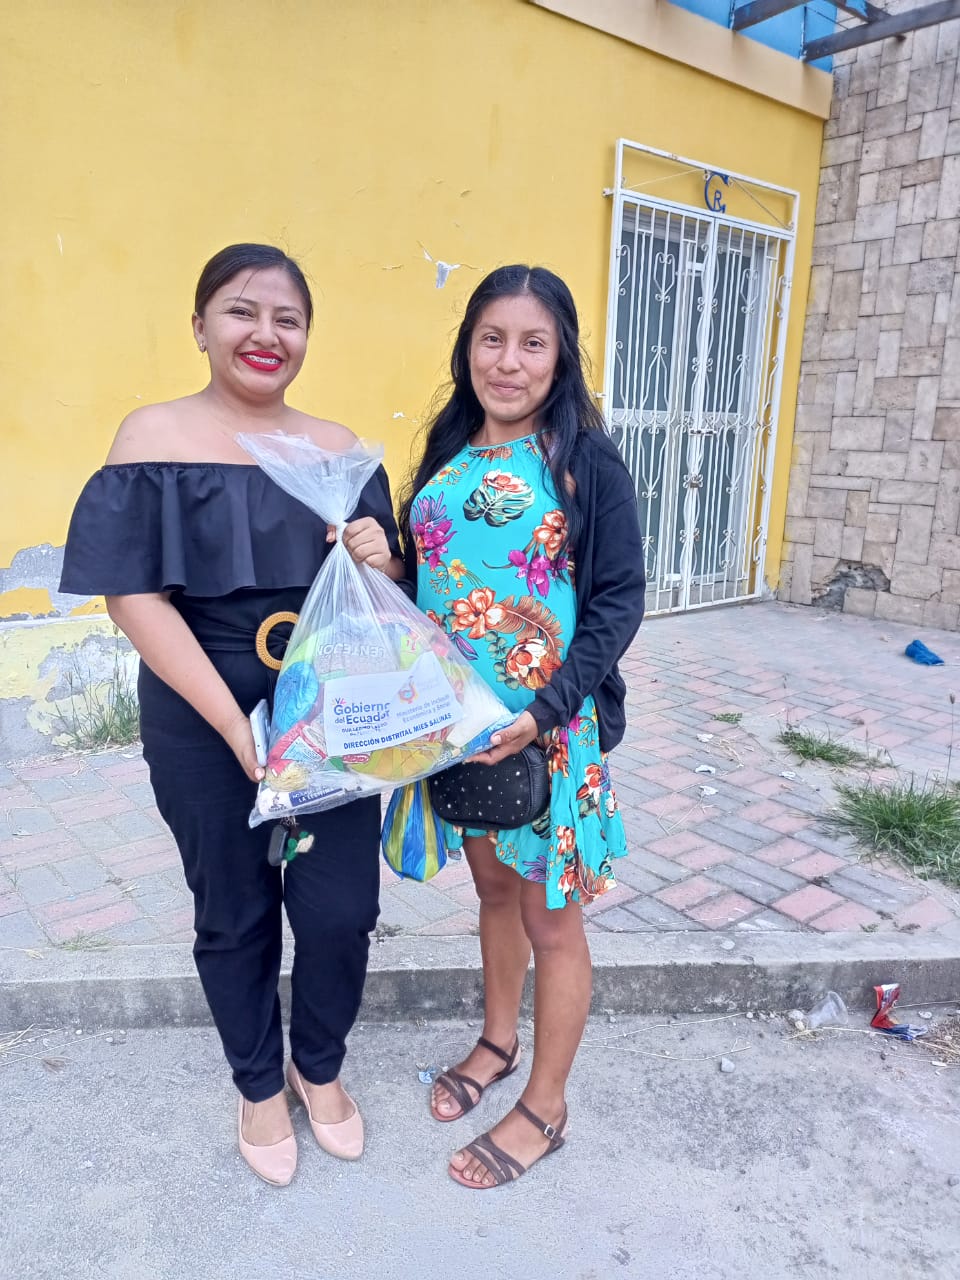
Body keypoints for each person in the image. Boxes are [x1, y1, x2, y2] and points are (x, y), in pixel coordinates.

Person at [60, 244, 406, 1187]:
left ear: (307, 336)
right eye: (242, 312)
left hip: (328, 715)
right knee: (234, 908)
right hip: (198, 712)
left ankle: (317, 1066)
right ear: (200, 325)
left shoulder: (336, 449)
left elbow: (383, 592)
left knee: (340, 910)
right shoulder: (153, 436)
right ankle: (258, 1083)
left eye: (288, 319)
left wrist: (379, 555)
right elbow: (132, 596)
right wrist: (232, 724)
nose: (266, 334)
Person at [399, 264, 645, 1189]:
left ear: (560, 355)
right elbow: (437, 574)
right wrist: (385, 560)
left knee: (552, 921)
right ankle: (497, 1043)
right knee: (494, 895)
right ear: (468, 347)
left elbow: (618, 602)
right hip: (464, 730)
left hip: (547, 733)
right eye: (491, 339)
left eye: (532, 343)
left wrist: (543, 711)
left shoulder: (583, 461)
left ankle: (546, 1105)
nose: (508, 362)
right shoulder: (447, 450)